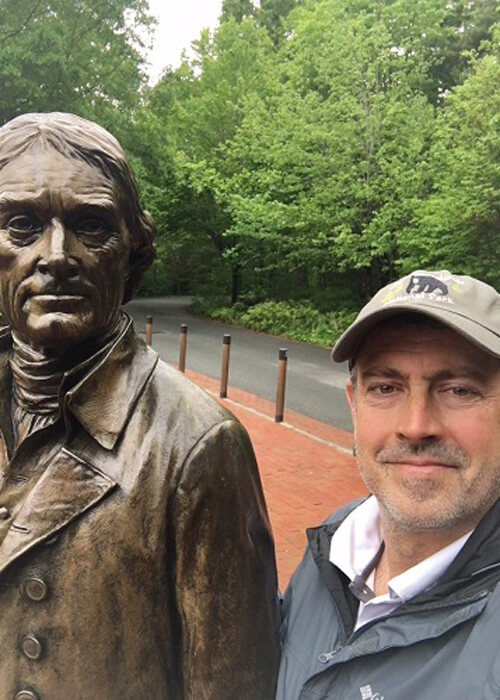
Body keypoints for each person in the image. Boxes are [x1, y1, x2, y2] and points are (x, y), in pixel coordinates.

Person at [0, 112, 279, 700]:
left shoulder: (199, 444)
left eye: (90, 226)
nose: (56, 255)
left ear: (133, 252)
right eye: (21, 225)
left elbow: (232, 685)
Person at [276, 269, 500, 700]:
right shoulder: (334, 545)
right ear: (354, 405)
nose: (416, 427)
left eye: (458, 390)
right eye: (385, 387)